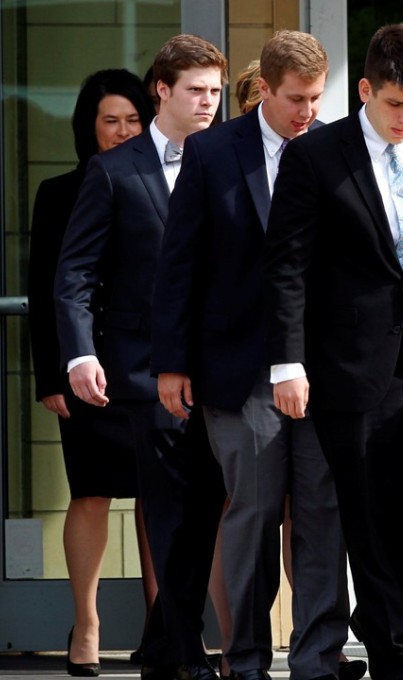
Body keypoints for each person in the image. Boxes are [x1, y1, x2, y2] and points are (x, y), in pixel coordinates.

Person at [151, 30, 365, 680]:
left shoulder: (337, 149)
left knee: (322, 514)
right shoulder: (213, 152)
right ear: (264, 88)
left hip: (321, 370)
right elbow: (179, 263)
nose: (307, 111)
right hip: (237, 368)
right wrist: (171, 362)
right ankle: (244, 660)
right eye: (296, 99)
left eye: (316, 98)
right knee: (254, 512)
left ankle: (317, 660)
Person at [263, 23, 403, 680]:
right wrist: (288, 363)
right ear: (367, 89)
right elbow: (287, 265)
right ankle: (395, 655)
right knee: (368, 515)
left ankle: (378, 618)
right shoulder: (316, 156)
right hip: (346, 367)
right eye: (396, 103)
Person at [54, 35, 229, 680]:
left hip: (219, 369)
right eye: (195, 90)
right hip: (142, 370)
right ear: (162, 90)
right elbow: (74, 273)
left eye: (215, 91)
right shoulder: (114, 170)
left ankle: (162, 646)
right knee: (172, 511)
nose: (208, 102)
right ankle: (184, 653)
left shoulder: (228, 159)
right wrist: (80, 354)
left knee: (204, 509)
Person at [28, 68, 155, 678]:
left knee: (160, 496)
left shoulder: (163, 180)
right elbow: (45, 286)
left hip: (151, 368)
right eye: (111, 121)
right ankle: (87, 625)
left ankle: (164, 626)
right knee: (91, 494)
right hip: (86, 367)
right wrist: (51, 375)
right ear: (90, 126)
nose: (123, 131)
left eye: (133, 120)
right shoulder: (59, 191)